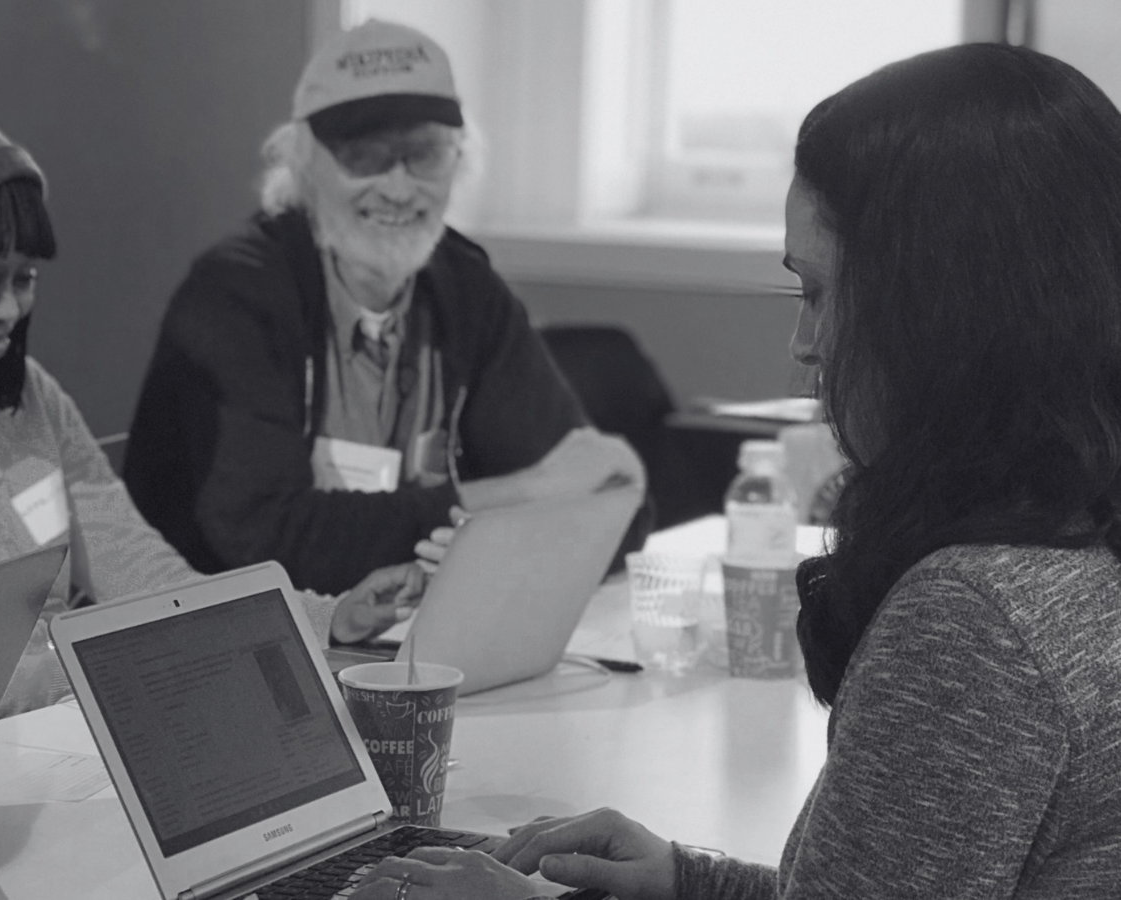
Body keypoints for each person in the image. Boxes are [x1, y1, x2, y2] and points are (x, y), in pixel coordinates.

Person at [346, 42, 1121, 900]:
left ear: (941, 306)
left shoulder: (974, 618)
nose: (805, 344)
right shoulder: (1077, 555)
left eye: (818, 292)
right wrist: (687, 881)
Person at [0, 97, 428, 770]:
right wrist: (105, 662)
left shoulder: (27, 399)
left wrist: (325, 619)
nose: (9, 309)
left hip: (63, 753)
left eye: (24, 279)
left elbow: (145, 575)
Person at [123, 19, 645, 594]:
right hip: (237, 651)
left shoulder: (466, 289)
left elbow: (605, 502)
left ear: (459, 160)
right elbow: (267, 542)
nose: (398, 189)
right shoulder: (235, 296)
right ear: (304, 162)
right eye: (364, 156)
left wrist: (553, 495)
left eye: (424, 155)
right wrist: (523, 493)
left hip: (405, 644)